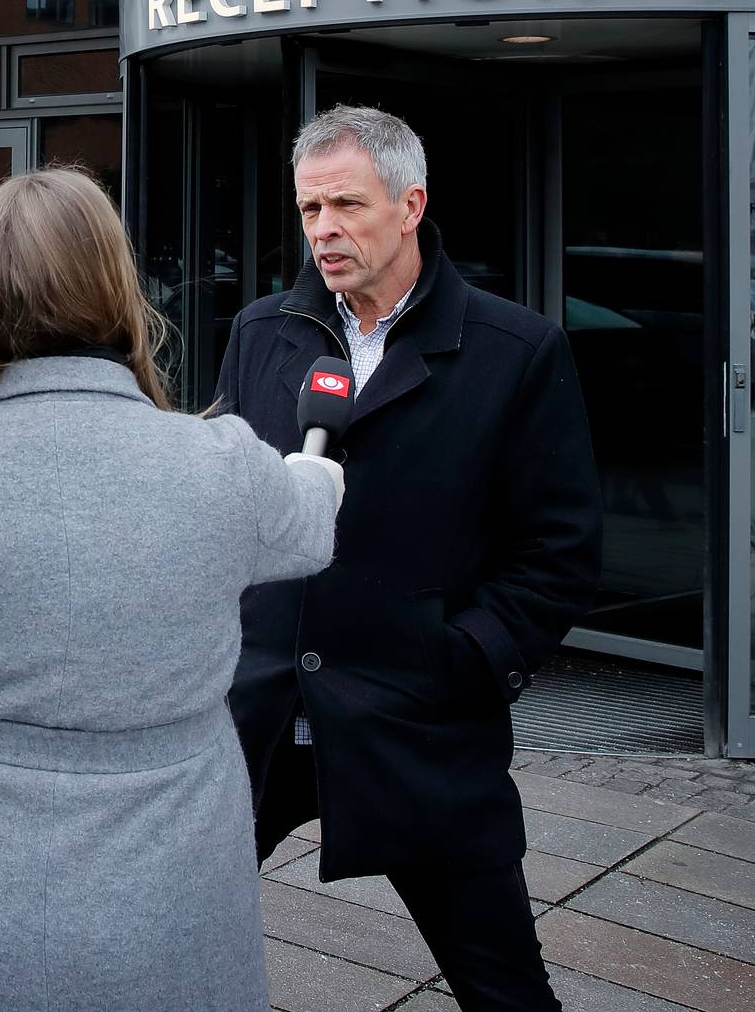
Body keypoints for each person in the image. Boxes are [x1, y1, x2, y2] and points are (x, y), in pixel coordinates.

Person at [0, 167, 343, 1010]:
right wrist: (311, 463)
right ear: (118, 288)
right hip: (177, 912)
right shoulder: (223, 463)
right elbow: (314, 523)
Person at [214, 105, 602, 1012]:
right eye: (310, 210)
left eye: (347, 204)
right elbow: (229, 502)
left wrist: (462, 657)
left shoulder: (518, 350)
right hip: (259, 716)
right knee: (149, 934)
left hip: (418, 721)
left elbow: (560, 550)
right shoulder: (261, 331)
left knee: (504, 986)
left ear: (411, 203)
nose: (324, 231)